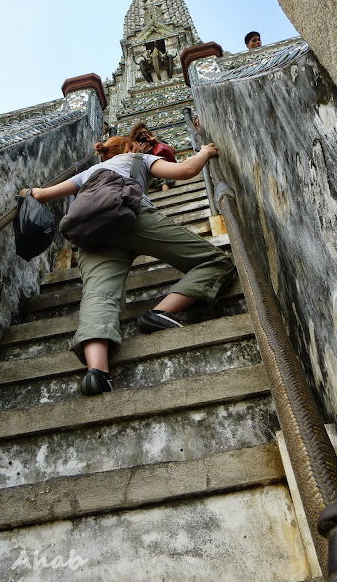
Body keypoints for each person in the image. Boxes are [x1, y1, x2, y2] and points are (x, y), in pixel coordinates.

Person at [20, 136, 235, 397]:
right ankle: (160, 312)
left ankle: (97, 371)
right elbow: (185, 170)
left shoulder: (88, 173)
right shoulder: (138, 158)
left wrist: (25, 194)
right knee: (215, 261)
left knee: (99, 295)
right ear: (130, 147)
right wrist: (205, 151)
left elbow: (39, 195)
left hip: (90, 235)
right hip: (131, 216)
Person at [128, 121, 176, 191]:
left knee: (165, 180)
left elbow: (174, 151)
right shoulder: (136, 149)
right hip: (150, 173)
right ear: (137, 137)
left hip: (163, 168)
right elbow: (135, 166)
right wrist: (140, 152)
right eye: (140, 134)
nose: (144, 135)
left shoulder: (157, 143)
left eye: (145, 132)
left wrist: (158, 143)